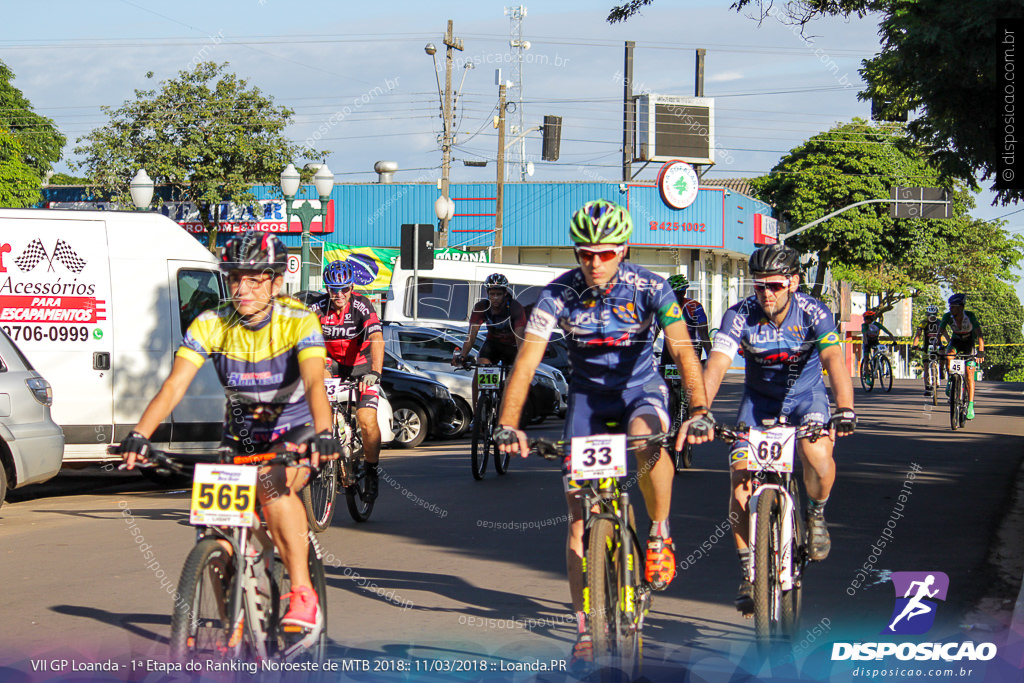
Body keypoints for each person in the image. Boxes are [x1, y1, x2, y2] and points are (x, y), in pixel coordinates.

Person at [491, 199, 714, 667]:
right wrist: (508, 423)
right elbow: (527, 363)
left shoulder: (651, 288)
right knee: (577, 522)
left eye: (606, 253)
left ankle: (659, 533)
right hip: (589, 404)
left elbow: (682, 350)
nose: (595, 263)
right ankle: (584, 629)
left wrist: (698, 409)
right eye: (585, 253)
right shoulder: (558, 294)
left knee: (645, 438)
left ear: (624, 249)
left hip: (640, 392)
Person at [119, 231, 339, 635]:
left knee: (272, 488)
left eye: (255, 279)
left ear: (275, 282)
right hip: (239, 437)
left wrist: (324, 434)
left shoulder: (298, 320)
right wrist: (140, 435)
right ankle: (232, 624)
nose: (243, 288)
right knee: (216, 534)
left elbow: (313, 385)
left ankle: (302, 591)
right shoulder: (211, 323)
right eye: (236, 278)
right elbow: (173, 386)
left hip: (295, 431)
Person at [699, 243, 855, 616]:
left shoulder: (814, 313)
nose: (766, 293)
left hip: (807, 397)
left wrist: (846, 407)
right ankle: (747, 570)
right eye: (759, 286)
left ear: (793, 283)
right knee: (739, 486)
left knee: (817, 455)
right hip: (759, 401)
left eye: (775, 285)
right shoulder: (739, 315)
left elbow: (834, 359)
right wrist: (700, 411)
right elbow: (718, 363)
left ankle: (816, 513)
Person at [307, 259, 385, 498]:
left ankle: (371, 471)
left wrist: (375, 372)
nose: (339, 294)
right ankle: (328, 439)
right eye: (333, 289)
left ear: (352, 287)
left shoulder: (362, 306)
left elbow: (377, 339)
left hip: (362, 367)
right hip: (332, 364)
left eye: (344, 289)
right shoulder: (317, 307)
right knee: (313, 382)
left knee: (366, 419)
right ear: (326, 288)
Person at [455, 273, 527, 368]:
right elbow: (471, 336)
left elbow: (520, 338)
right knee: (482, 370)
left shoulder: (516, 308)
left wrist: (523, 359)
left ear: (505, 293)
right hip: (492, 345)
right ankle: (485, 383)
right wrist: (462, 356)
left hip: (512, 346)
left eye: (499, 294)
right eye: (492, 294)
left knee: (514, 378)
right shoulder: (481, 307)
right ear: (487, 293)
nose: (495, 298)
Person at [940, 293, 985, 419]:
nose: (950, 309)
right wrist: (939, 344)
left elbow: (979, 334)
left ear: (961, 307)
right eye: (950, 306)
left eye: (953, 307)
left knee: (970, 374)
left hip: (969, 343)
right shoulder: (947, 316)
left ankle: (970, 405)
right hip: (956, 342)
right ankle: (951, 380)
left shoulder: (970, 316)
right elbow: (940, 330)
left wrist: (981, 351)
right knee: (949, 357)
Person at [665, 274, 712, 362]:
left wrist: (712, 359)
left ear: (684, 293)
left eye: (676, 294)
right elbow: (654, 333)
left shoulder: (695, 307)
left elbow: (704, 335)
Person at [911, 304, 947, 397]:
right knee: (926, 366)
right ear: (927, 315)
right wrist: (915, 345)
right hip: (927, 346)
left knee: (943, 354)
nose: (931, 317)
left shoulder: (939, 322)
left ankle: (942, 369)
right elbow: (918, 335)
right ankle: (927, 387)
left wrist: (950, 343)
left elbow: (945, 333)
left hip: (938, 345)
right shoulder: (923, 322)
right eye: (929, 315)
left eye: (933, 315)